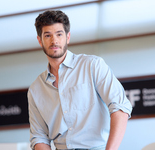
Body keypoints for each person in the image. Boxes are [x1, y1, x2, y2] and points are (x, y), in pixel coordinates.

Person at [28, 10, 132, 150]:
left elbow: (120, 107)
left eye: (59, 34)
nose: (54, 41)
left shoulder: (92, 66)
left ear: (68, 37)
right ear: (40, 40)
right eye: (48, 35)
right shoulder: (35, 89)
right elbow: (39, 136)